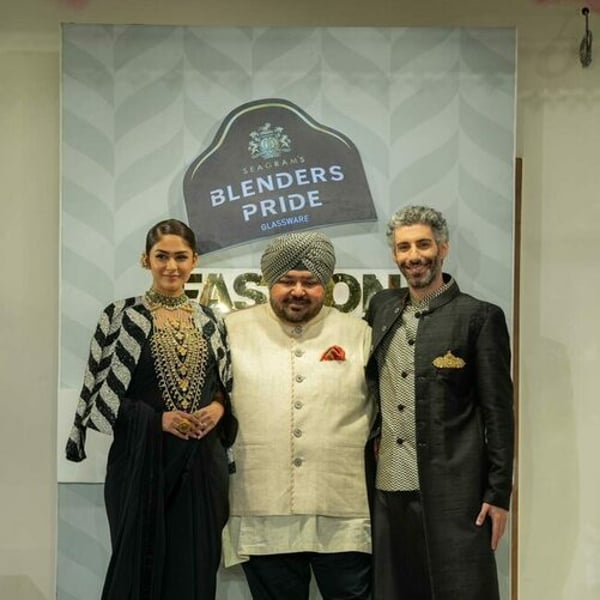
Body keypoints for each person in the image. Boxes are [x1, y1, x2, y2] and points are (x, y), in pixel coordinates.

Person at [65, 218, 237, 600]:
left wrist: (218, 408)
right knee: (138, 568)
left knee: (195, 568)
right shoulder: (119, 317)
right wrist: (158, 420)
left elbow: (225, 387)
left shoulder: (211, 320)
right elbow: (100, 396)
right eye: (162, 256)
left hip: (201, 465)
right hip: (141, 462)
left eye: (181, 257)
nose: (171, 266)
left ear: (195, 260)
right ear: (146, 260)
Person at [365, 205, 514, 600]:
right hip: (388, 488)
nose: (413, 256)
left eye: (423, 245)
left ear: (443, 248)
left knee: (461, 589)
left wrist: (498, 494)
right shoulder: (381, 308)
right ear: (395, 254)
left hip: (455, 492)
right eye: (404, 247)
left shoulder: (478, 317)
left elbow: (499, 414)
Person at [222, 231, 375, 600]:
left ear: (327, 284)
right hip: (262, 508)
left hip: (343, 511)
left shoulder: (358, 333)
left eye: (310, 282)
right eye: (287, 281)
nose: (298, 291)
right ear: (268, 282)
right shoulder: (232, 332)